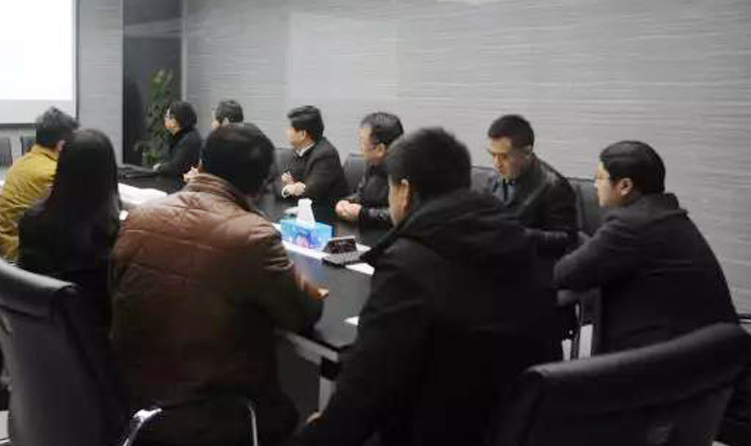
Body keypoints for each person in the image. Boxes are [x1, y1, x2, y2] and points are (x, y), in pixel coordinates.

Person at [294, 128, 561, 446]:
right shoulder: (516, 242)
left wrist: (319, 432)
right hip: (521, 426)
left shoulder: (407, 265)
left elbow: (366, 387)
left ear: (405, 192)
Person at [112, 123, 325, 446]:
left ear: (201, 163)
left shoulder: (140, 217)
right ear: (259, 185)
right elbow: (304, 312)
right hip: (215, 417)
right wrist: (306, 285)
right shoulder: (252, 235)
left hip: (135, 399)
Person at [554, 141, 738, 352]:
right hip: (710, 349)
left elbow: (567, 274)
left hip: (677, 356)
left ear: (625, 186)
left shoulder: (633, 225)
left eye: (600, 178)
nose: (595, 185)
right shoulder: (664, 215)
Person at [18, 129, 119, 330]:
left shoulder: (31, 219)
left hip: (36, 331)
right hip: (91, 338)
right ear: (109, 173)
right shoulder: (108, 236)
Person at [0, 107, 78, 261]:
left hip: (1, 254)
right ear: (62, 145)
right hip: (22, 258)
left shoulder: (22, 162)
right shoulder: (52, 173)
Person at [485, 114, 577, 260]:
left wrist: (520, 235)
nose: (496, 164)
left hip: (531, 261)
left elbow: (567, 240)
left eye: (504, 157)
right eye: (492, 155)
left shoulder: (554, 186)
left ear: (527, 152)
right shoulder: (495, 176)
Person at [334, 112, 403, 229]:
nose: (360, 147)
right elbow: (362, 195)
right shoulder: (373, 164)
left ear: (380, 149)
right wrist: (346, 202)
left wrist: (363, 214)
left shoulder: (406, 172)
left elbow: (400, 215)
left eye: (362, 141)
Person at [279, 105, 349, 206]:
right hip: (302, 209)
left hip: (327, 211)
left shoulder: (326, 155)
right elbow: (282, 181)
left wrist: (293, 188)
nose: (287, 132)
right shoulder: (297, 151)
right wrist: (290, 189)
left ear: (303, 134)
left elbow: (310, 193)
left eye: (290, 128)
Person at [184, 99, 245, 182]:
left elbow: (215, 179)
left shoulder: (215, 147)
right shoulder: (250, 144)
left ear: (225, 122)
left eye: (214, 120)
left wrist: (196, 178)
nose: (212, 124)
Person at [153, 100, 202, 179]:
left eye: (167, 116)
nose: (165, 119)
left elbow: (175, 168)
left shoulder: (189, 140)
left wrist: (159, 168)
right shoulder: (175, 136)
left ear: (175, 121)